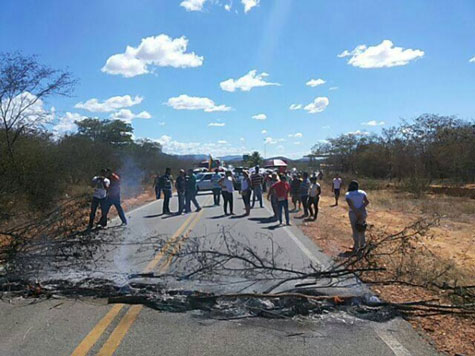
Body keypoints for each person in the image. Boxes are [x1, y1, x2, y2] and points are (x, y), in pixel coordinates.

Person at [345, 180, 370, 252]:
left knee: (355, 229)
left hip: (353, 213)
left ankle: (356, 246)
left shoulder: (348, 194)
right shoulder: (362, 192)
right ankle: (363, 244)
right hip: (362, 212)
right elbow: (367, 202)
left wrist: (356, 211)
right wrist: (360, 209)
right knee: (362, 228)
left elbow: (350, 204)